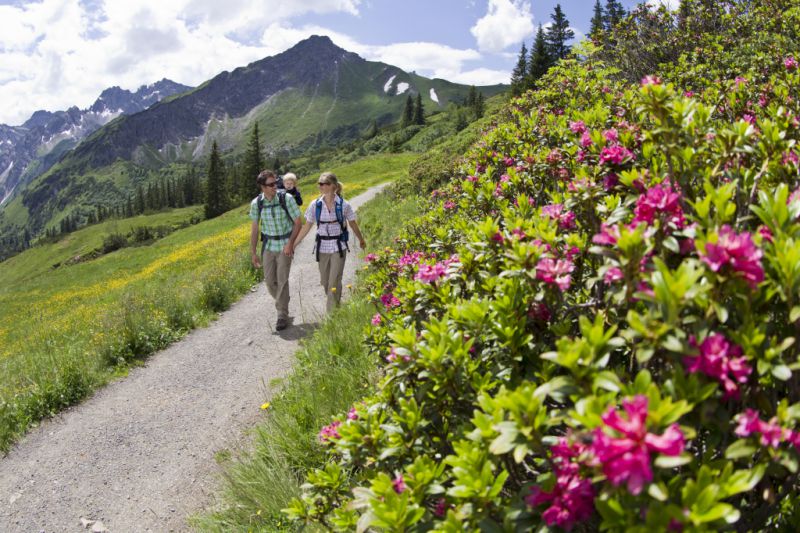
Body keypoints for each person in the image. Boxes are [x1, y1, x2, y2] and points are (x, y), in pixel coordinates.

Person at [294, 172, 366, 313]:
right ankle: (336, 303)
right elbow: (307, 226)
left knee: (334, 280)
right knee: (325, 282)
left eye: (324, 183)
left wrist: (361, 239)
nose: (320, 186)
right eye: (319, 183)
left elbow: (353, 224)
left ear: (333, 186)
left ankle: (332, 314)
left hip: (339, 246)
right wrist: (294, 243)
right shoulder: (315, 205)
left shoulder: (344, 205)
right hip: (322, 247)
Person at [249, 169, 302, 331]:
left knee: (282, 279)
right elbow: (255, 229)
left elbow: (298, 223)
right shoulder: (256, 203)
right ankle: (283, 301)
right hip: (268, 246)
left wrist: (290, 243)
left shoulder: (286, 199)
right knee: (270, 282)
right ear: (262, 187)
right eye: (270, 185)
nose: (275, 186)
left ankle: (282, 314)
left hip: (285, 245)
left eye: (275, 183)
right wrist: (253, 252)